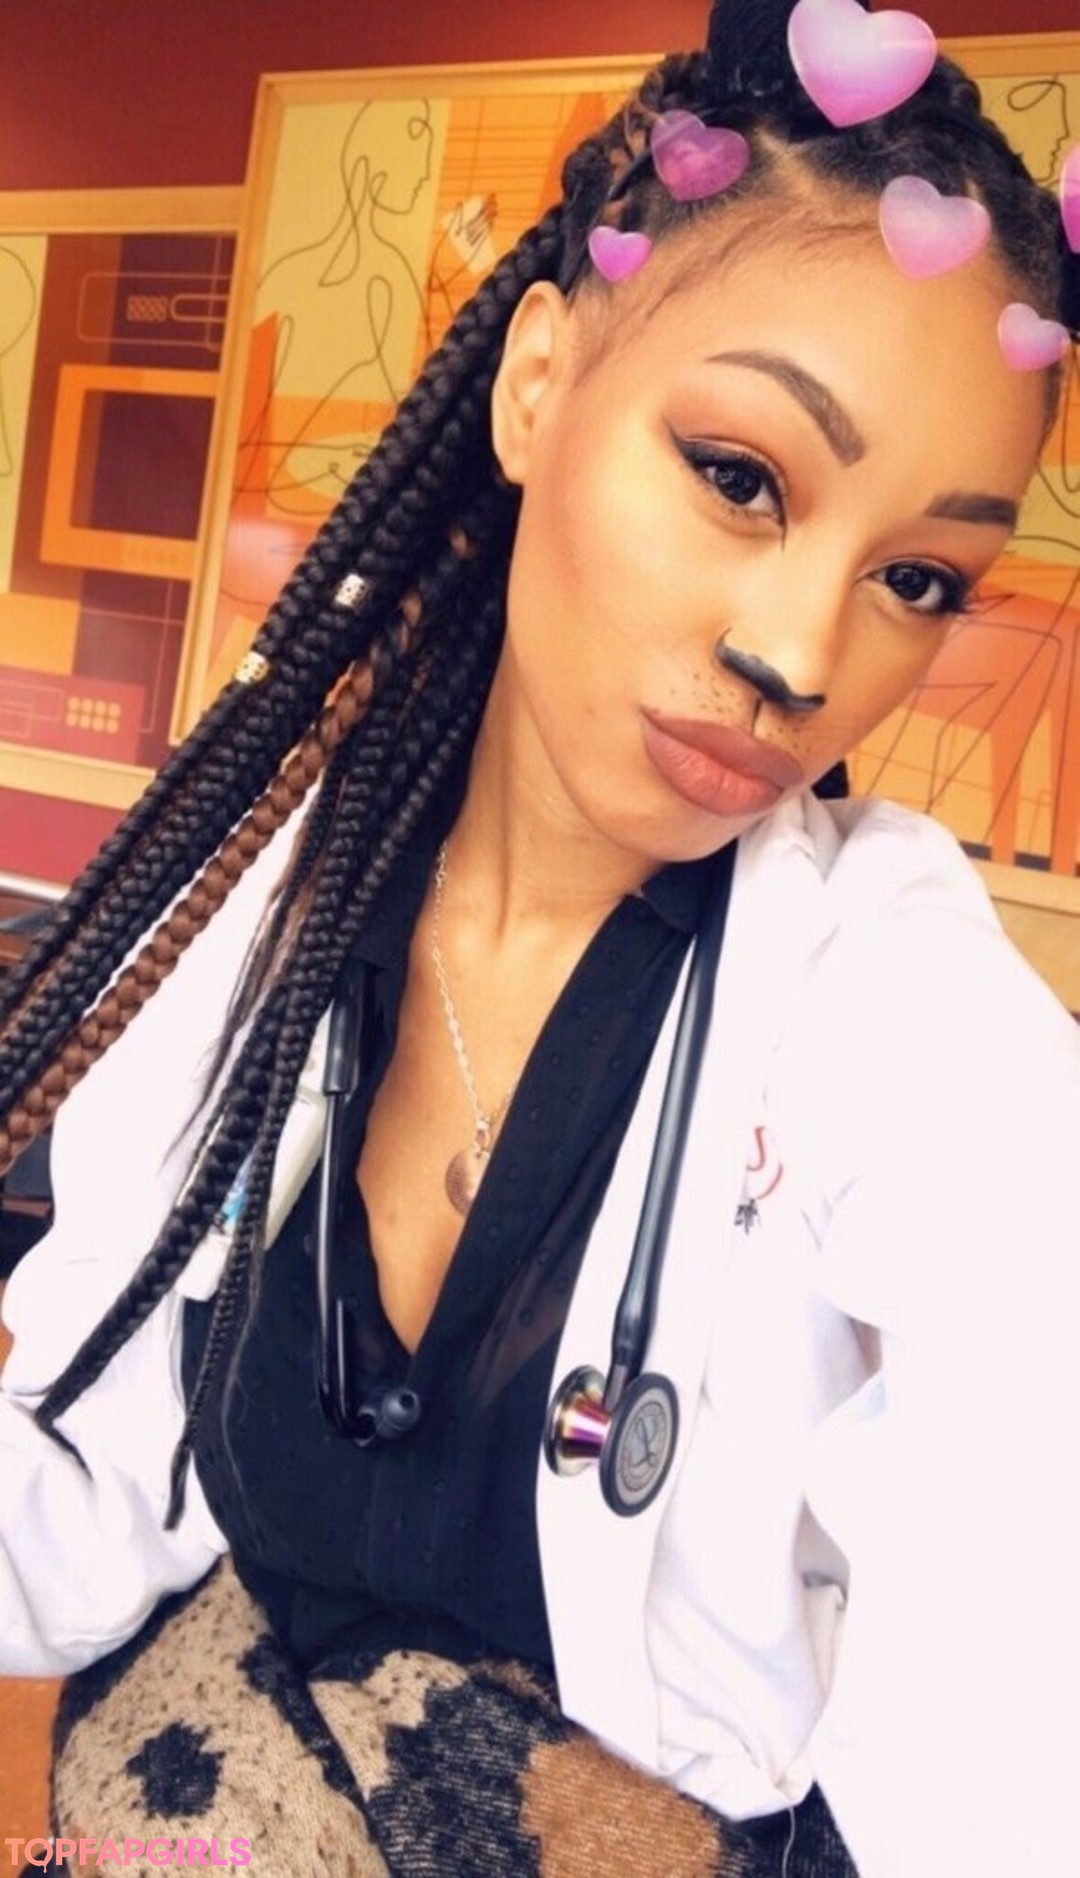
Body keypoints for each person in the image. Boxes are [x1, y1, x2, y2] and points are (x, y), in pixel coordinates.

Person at [1, 1, 1078, 1871]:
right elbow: (87, 1489)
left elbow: (1020, 1659)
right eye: (740, 474)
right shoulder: (261, 910)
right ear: (536, 383)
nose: (801, 655)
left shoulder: (887, 997)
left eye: (918, 577)